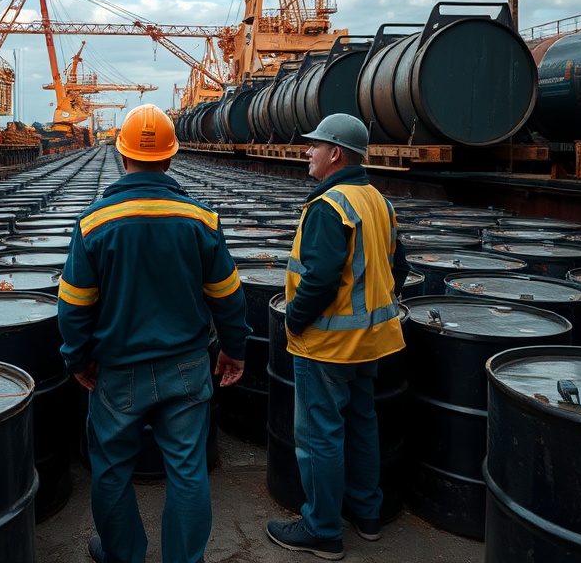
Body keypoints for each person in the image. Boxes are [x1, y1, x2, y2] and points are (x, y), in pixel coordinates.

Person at [57, 103, 251, 563]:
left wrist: (76, 358)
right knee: (187, 470)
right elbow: (229, 296)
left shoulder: (94, 223)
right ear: (170, 157)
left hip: (118, 369)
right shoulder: (202, 220)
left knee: (110, 469)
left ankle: (123, 554)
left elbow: (74, 305)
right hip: (186, 367)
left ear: (122, 154)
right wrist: (234, 350)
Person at [266, 113, 409, 561]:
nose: (308, 152)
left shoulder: (330, 206)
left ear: (336, 154)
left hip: (326, 345)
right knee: (363, 423)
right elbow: (397, 268)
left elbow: (321, 277)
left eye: (315, 146)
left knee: (320, 435)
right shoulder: (377, 201)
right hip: (370, 341)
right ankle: (368, 515)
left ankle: (322, 529)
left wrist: (294, 320)